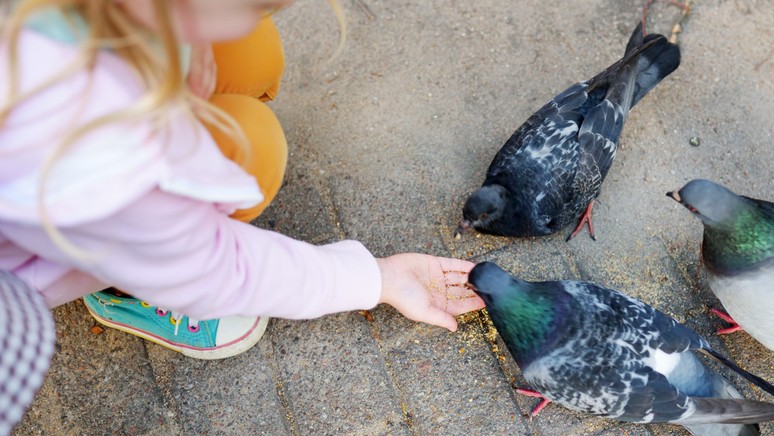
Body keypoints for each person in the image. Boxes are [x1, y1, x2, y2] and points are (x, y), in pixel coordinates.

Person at [0, 0, 485, 360]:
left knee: (251, 55)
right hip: (73, 232)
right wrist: (378, 278)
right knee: (252, 155)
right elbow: (218, 269)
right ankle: (125, 287)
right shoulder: (105, 163)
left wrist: (180, 43)